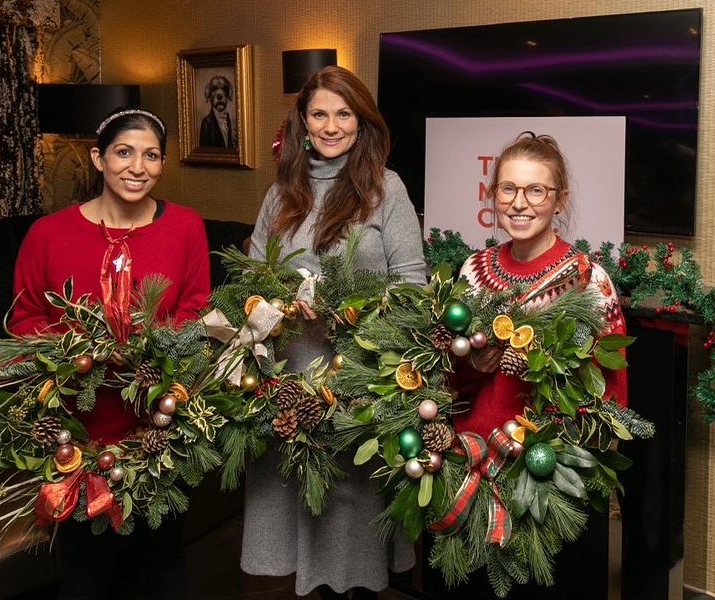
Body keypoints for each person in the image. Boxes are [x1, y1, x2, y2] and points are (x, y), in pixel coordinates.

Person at [241, 66, 427, 599]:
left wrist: (346, 313)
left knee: (349, 521)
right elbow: (253, 276)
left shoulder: (385, 188)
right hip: (283, 379)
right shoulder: (282, 192)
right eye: (319, 113)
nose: (330, 125)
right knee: (294, 509)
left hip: (356, 383)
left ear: (362, 121)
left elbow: (411, 286)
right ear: (302, 120)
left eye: (343, 114)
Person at [9, 108, 211, 599]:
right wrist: (81, 350)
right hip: (76, 434)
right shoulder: (47, 234)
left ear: (162, 165)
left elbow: (195, 308)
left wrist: (148, 349)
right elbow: (24, 319)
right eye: (124, 152)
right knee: (86, 573)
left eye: (151, 155)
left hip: (158, 431)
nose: (137, 166)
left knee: (162, 563)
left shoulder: (185, 227)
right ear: (98, 158)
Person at [449, 132, 627, 599]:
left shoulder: (588, 279)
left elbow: (611, 397)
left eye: (536, 191)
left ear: (559, 199)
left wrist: (544, 371)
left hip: (545, 482)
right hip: (472, 471)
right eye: (508, 189)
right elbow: (445, 376)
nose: (520, 203)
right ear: (493, 197)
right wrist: (477, 365)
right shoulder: (473, 272)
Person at [199, 74, 235, 148]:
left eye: (224, 89)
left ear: (229, 94)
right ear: (208, 95)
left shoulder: (228, 119)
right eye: (214, 89)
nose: (219, 94)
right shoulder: (206, 122)